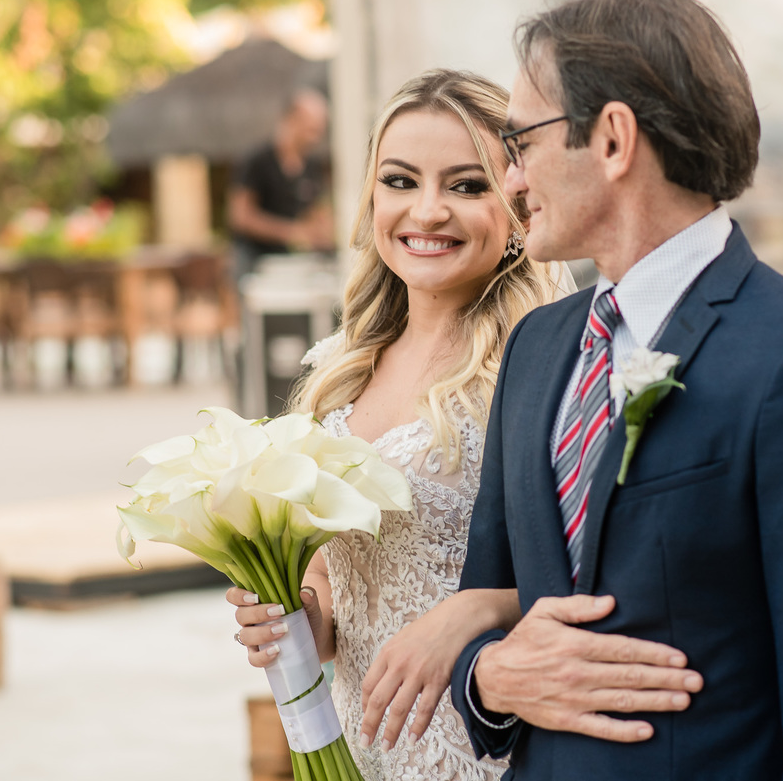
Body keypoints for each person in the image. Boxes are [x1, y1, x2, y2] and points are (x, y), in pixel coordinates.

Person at [450, 0, 783, 779]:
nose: (511, 177)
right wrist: (486, 680)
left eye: (521, 140)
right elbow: (490, 607)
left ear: (614, 139)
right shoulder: (534, 347)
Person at [227, 69, 569, 781]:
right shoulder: (336, 369)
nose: (428, 211)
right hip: (357, 746)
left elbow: (590, 577)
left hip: (484, 749)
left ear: (516, 203)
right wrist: (294, 615)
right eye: (401, 181)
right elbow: (328, 580)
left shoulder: (541, 365)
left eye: (467, 185)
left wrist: (473, 612)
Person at [228, 87, 334, 281]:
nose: (315, 138)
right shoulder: (257, 160)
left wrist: (321, 232)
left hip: (286, 262)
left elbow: (316, 210)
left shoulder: (312, 165)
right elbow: (240, 217)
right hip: (252, 261)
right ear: (291, 120)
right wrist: (291, 232)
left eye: (319, 131)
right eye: (310, 130)